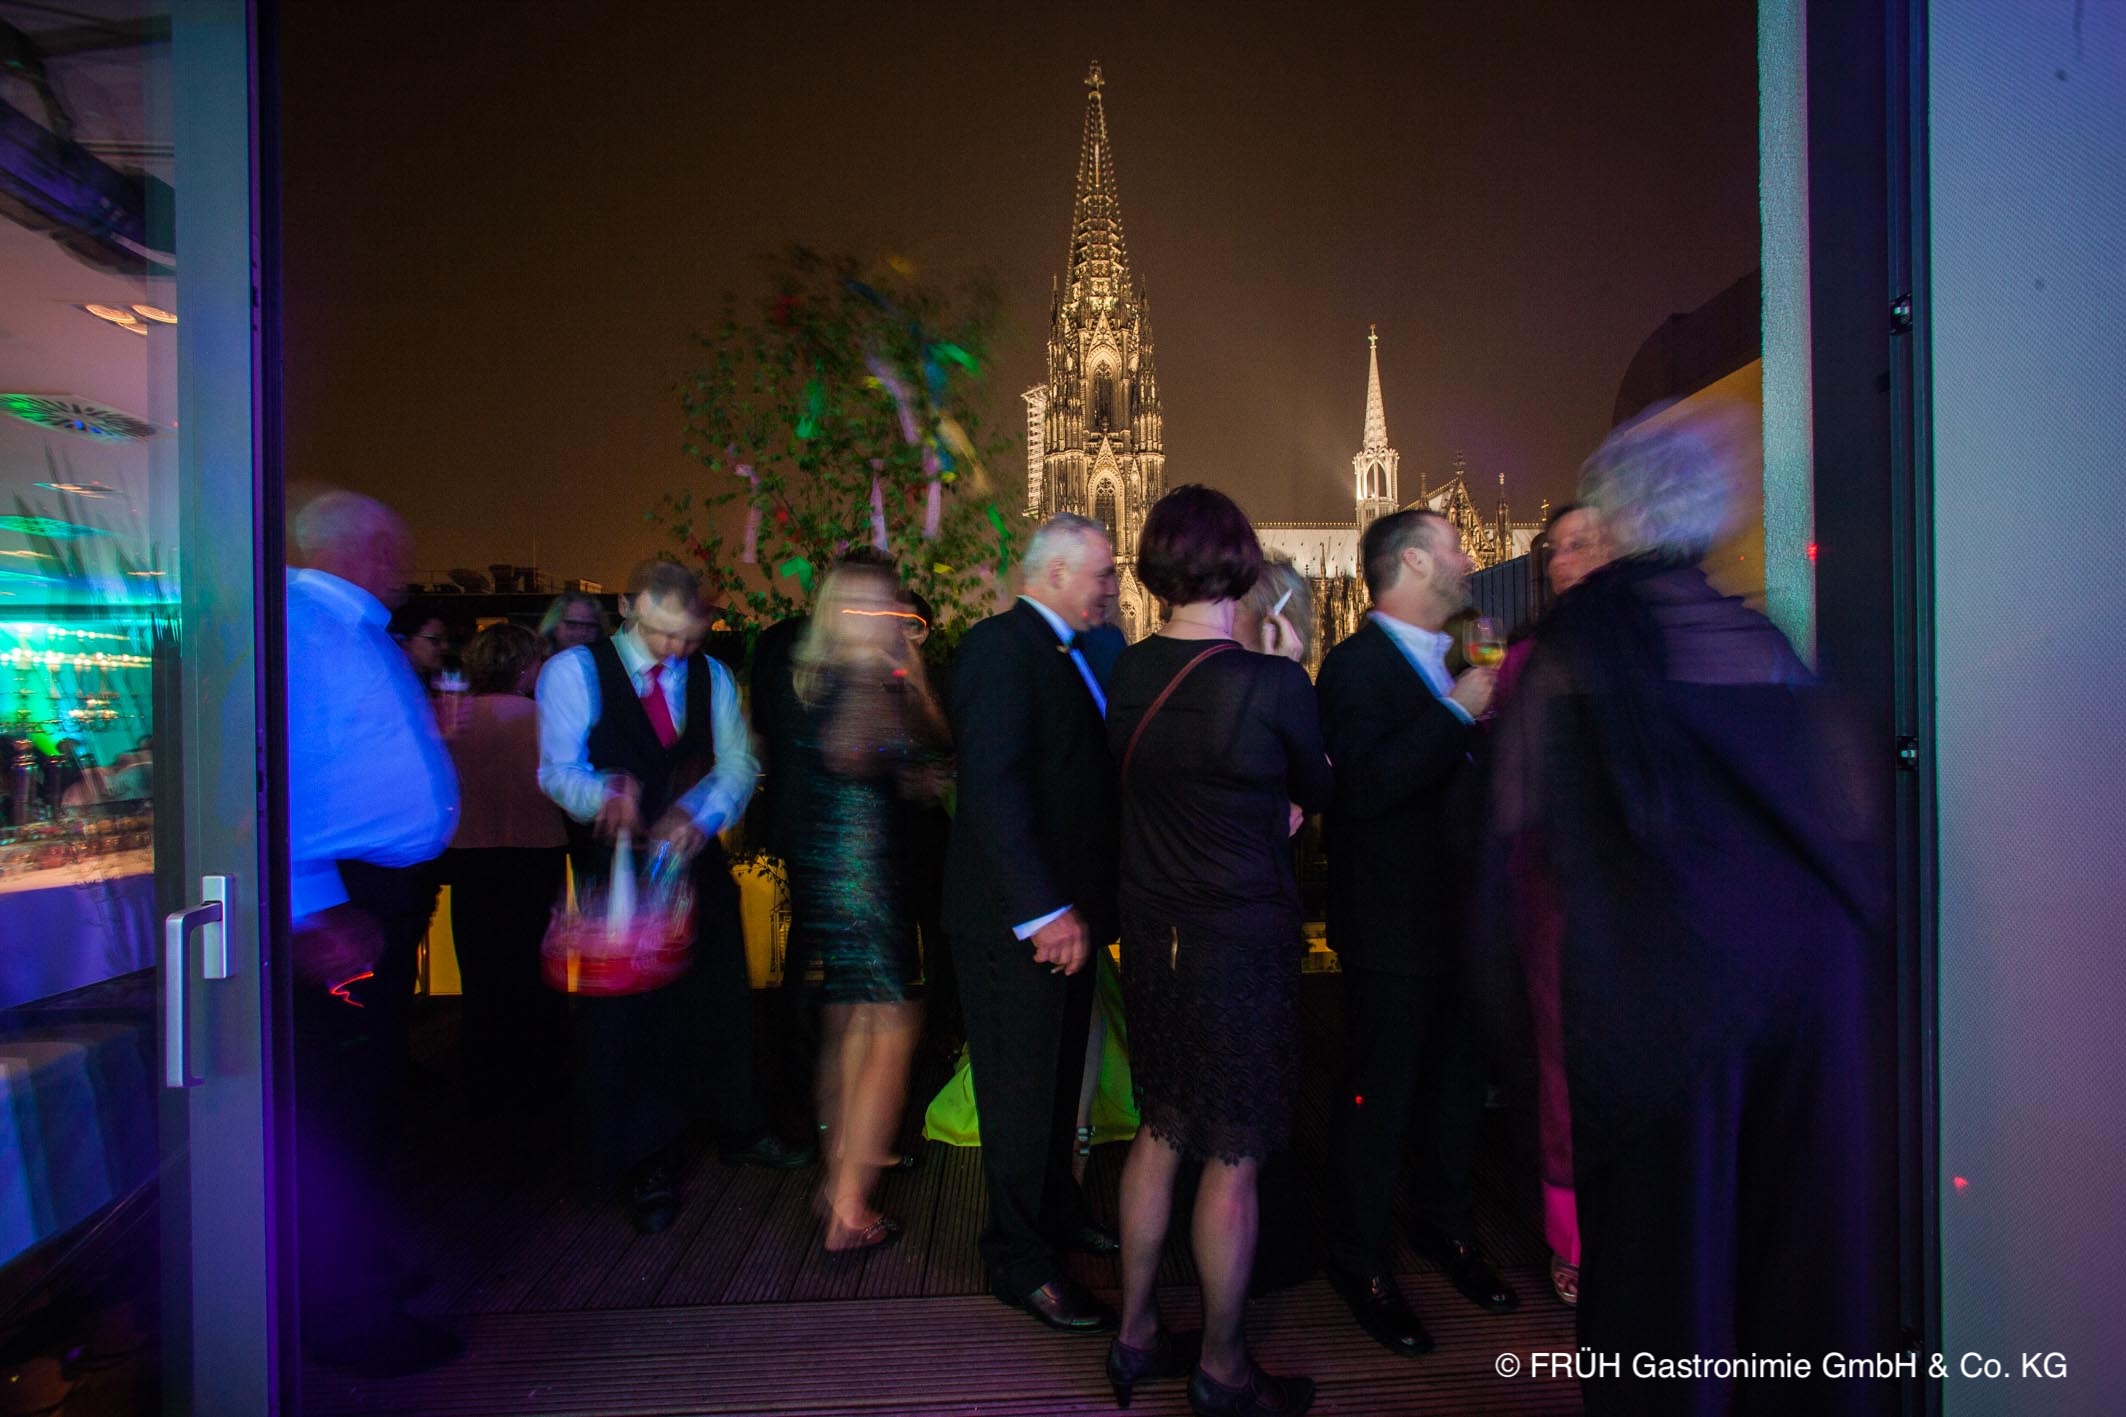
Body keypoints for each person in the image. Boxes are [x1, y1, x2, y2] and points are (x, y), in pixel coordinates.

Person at [1486, 417, 1882, 1416]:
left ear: (1618, 517)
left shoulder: (1578, 642)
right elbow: (1848, 811)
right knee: (1793, 1266)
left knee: (1663, 1278)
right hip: (1805, 995)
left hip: (1661, 1004)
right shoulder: (1760, 640)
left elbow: (1514, 838)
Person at [1104, 486, 1331, 1417]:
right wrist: (1281, 661)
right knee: (1232, 1157)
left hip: (1150, 934)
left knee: (1161, 1128)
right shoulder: (1272, 685)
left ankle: (1134, 1333)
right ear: (1239, 566)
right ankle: (1224, 1365)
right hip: (1238, 942)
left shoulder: (1125, 669)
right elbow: (1315, 788)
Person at [536, 558, 808, 1235]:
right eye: (663, 634)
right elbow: (558, 769)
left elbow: (738, 762)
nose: (676, 650)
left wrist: (700, 814)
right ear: (631, 607)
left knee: (719, 990)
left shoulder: (712, 675)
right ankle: (644, 1159)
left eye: (689, 637)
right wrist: (603, 794)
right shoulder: (573, 672)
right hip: (615, 868)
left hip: (694, 861)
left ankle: (735, 1122)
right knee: (631, 1014)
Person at [1317, 508, 1517, 1362]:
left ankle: (1446, 1226)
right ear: (1411, 563)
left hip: (1468, 922)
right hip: (1392, 929)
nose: (1469, 560)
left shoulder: (1466, 652)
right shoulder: (1353, 665)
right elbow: (1360, 789)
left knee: (1456, 1090)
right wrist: (1454, 713)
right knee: (1381, 1098)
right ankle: (1360, 1259)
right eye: (1453, 548)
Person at [284, 489, 462, 1376]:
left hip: (375, 892)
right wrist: (308, 903)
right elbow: (265, 774)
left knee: (372, 1086)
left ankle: (364, 1271)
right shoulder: (302, 629)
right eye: (394, 549)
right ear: (360, 548)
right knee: (338, 1103)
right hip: (339, 902)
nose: (403, 567)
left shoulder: (353, 629)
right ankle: (345, 1314)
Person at [942, 512, 1123, 1334]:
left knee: (1053, 1085)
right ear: (1054, 572)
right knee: (1018, 1094)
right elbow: (994, 787)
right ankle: (1019, 1260)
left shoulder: (1076, 649)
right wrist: (1043, 910)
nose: (1112, 585)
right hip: (1016, 925)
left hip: (1068, 920)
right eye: (1101, 572)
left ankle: (1054, 1216)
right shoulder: (998, 648)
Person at [779, 563, 950, 1252]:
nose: (884, 617)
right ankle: (849, 1206)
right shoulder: (859, 679)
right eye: (871, 606)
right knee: (889, 1032)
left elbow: (890, 753)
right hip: (862, 877)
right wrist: (900, 682)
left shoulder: (817, 678)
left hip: (838, 872)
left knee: (852, 1026)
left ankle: (839, 1179)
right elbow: (872, 749)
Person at [1493, 499, 1608, 1308]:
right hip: (1557, 891)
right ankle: (1571, 1240)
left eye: (1584, 543)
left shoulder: (1643, 646)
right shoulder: (1528, 658)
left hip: (1628, 891)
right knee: (1564, 1068)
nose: (1566, 558)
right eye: (1556, 546)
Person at [441, 621, 570, 1112]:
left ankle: (482, 1077)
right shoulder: (544, 720)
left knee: (481, 969)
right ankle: (538, 1078)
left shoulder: (453, 717)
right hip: (537, 852)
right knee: (535, 968)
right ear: (524, 667)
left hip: (471, 854)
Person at [539, 591, 608, 655]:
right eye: (572, 625)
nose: (582, 633)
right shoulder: (537, 661)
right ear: (554, 626)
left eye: (590, 626)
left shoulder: (607, 662)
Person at [390, 607, 449, 682]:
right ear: (405, 640)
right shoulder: (393, 680)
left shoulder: (420, 678)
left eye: (445, 639)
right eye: (435, 639)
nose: (445, 646)